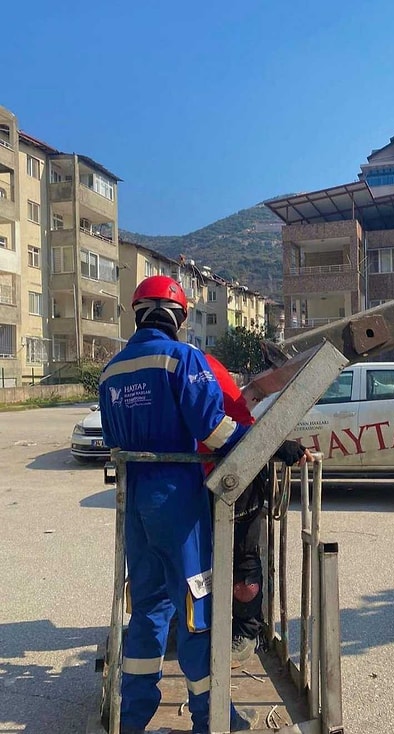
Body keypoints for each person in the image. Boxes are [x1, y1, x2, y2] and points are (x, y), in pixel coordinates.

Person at [98, 275, 258, 734]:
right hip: (176, 500)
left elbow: (113, 441)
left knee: (147, 607)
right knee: (195, 604)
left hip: (134, 501)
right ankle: (213, 719)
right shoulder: (182, 358)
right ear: (180, 316)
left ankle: (132, 719)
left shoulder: (111, 371)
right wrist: (265, 443)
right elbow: (214, 431)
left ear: (137, 312)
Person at [200, 354, 310, 667]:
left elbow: (223, 426)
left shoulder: (191, 366)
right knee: (209, 557)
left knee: (243, 560)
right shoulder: (193, 363)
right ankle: (213, 622)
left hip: (236, 472)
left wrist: (273, 446)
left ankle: (246, 631)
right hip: (213, 471)